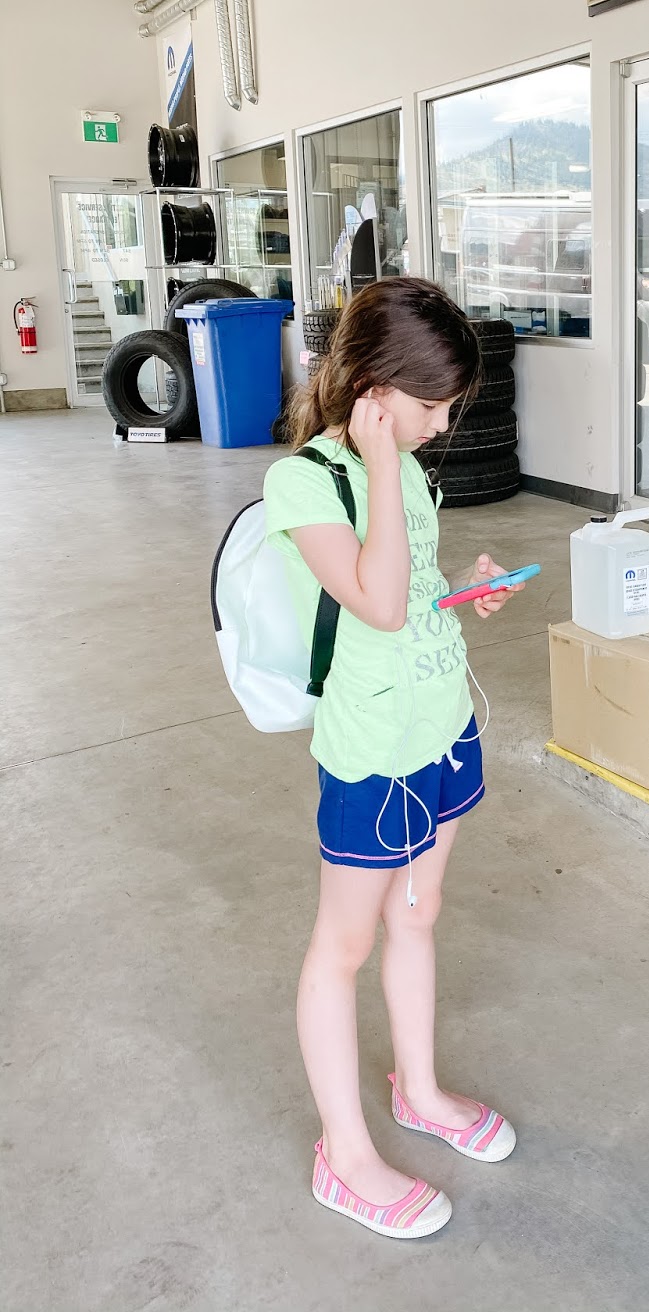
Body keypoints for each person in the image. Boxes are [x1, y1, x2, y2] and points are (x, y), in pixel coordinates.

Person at [263, 278, 522, 1241]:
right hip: (373, 753)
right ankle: (346, 1154)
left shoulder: (407, 469)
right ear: (374, 387)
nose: (443, 423)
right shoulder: (306, 483)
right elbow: (371, 603)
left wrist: (463, 592)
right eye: (431, 404)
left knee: (419, 913)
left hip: (442, 728)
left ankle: (418, 1089)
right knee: (343, 947)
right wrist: (377, 459)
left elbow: (407, 594)